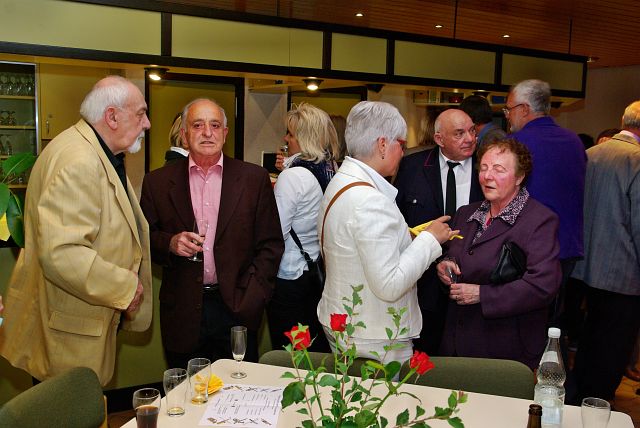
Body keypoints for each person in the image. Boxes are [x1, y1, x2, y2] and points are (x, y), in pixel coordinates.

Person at [0, 76, 152, 385]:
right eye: (140, 114)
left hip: (76, 323)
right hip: (69, 333)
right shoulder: (79, 160)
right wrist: (125, 287)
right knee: (69, 407)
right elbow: (62, 253)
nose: (147, 124)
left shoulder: (93, 151)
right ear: (112, 117)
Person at [141, 98, 284, 369]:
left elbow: (271, 245)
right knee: (187, 388)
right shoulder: (157, 182)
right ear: (184, 134)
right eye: (198, 125)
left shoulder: (253, 179)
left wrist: (254, 296)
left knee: (240, 388)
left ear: (225, 133)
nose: (207, 132)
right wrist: (170, 243)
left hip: (238, 308)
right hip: (182, 311)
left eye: (215, 125)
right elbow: (144, 239)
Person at [317, 101, 457, 364]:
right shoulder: (370, 200)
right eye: (401, 144)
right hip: (374, 334)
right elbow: (390, 285)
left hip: (346, 320)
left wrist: (408, 237)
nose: (403, 153)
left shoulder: (341, 181)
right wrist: (430, 239)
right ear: (382, 144)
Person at [437, 138, 561, 369]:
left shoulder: (539, 221)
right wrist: (446, 265)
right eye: (483, 168)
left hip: (504, 348)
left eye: (498, 169)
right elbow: (456, 255)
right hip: (456, 341)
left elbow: (542, 286)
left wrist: (483, 295)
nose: (487, 176)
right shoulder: (465, 214)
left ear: (519, 177)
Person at [394, 108, 484, 354]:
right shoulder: (412, 167)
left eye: (472, 131)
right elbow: (398, 220)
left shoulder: (486, 167)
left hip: (473, 281)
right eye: (459, 133)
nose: (469, 138)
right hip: (424, 283)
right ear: (439, 139)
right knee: (426, 354)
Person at [568, 101, 640, 404]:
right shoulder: (636, 160)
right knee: (612, 349)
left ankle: (577, 401)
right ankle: (597, 408)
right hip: (623, 272)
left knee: (587, 342)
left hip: (582, 266)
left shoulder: (591, 154)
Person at [506, 79, 586, 325]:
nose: (508, 116)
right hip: (568, 246)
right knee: (553, 319)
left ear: (524, 109)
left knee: (523, 321)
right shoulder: (574, 141)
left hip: (527, 250)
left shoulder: (517, 145)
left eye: (509, 109)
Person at [267, 103, 338, 352]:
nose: (286, 139)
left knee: (290, 352)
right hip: (315, 270)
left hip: (289, 275)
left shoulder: (293, 176)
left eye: (291, 134)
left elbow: (275, 232)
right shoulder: (330, 169)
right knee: (312, 349)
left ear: (305, 138)